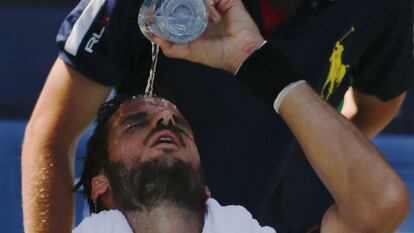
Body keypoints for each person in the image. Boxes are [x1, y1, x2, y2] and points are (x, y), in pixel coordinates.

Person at [22, 0, 413, 232]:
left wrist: (256, 64)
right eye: (138, 121)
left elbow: (380, 191)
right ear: (98, 186)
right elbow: (52, 134)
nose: (164, 122)